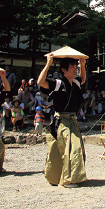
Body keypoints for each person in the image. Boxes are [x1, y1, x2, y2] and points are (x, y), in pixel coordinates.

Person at [37, 54, 87, 188]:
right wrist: (48, 63)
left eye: (75, 67)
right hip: (62, 121)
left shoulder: (75, 82)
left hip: (72, 119)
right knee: (69, 149)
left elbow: (82, 79)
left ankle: (66, 177)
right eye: (72, 67)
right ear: (64, 70)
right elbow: (41, 82)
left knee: (74, 149)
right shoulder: (58, 83)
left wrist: (82, 65)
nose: (75, 69)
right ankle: (67, 179)